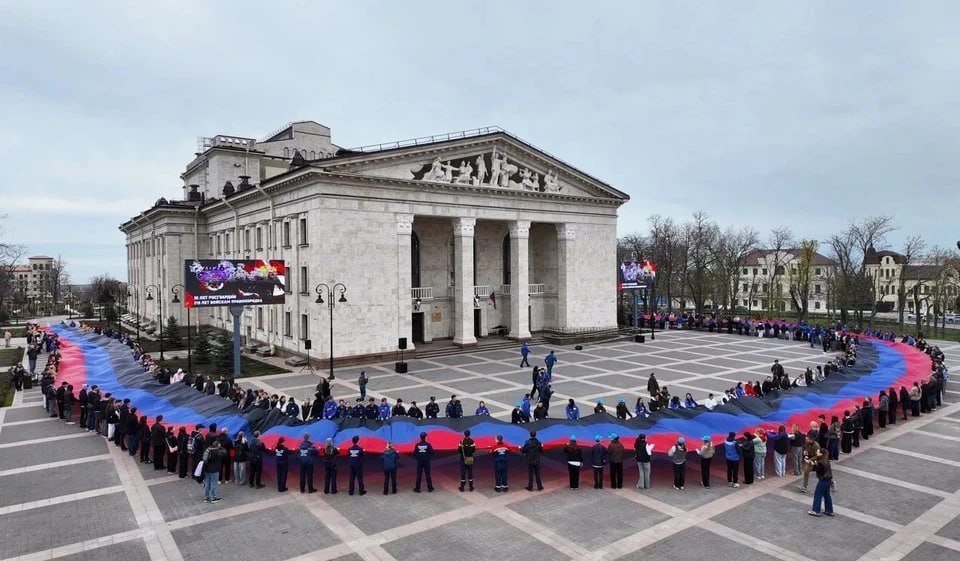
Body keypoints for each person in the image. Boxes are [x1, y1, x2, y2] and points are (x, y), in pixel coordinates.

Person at [807, 448, 834, 517]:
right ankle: (829, 510)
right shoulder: (826, 461)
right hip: (828, 480)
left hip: (823, 480)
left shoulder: (821, 462)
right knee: (827, 495)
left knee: (818, 494)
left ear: (821, 454)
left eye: (818, 452)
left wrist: (814, 465)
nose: (816, 452)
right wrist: (816, 464)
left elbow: (819, 471)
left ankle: (816, 511)